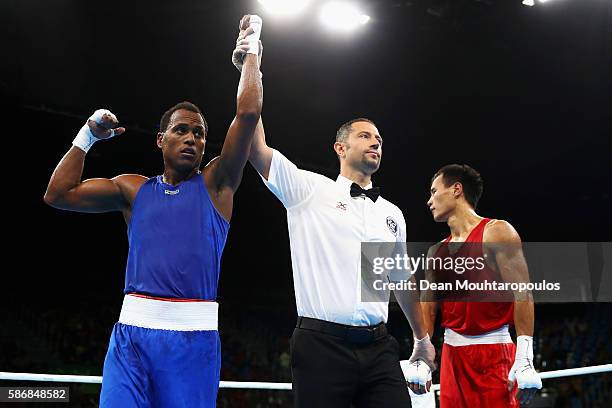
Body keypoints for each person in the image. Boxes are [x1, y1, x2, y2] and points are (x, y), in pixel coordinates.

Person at [43, 15, 264, 408]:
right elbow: (58, 194)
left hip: (193, 341)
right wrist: (88, 136)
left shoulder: (217, 184)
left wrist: (253, 52)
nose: (192, 138)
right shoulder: (133, 188)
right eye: (181, 130)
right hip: (132, 337)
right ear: (161, 139)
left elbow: (247, 115)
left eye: (198, 133)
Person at [231, 33, 435, 408]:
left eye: (379, 139)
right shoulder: (309, 189)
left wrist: (422, 340)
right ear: (341, 148)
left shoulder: (392, 214)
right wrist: (250, 67)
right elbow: (255, 147)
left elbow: (401, 281)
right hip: (321, 347)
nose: (375, 143)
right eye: (365, 136)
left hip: (379, 347)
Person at [420, 164, 542, 407]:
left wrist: (525, 355)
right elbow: (428, 308)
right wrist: (421, 353)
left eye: (434, 191)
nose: (429, 201)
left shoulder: (497, 232)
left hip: (494, 355)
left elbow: (523, 293)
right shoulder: (435, 252)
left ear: (456, 189)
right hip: (451, 358)